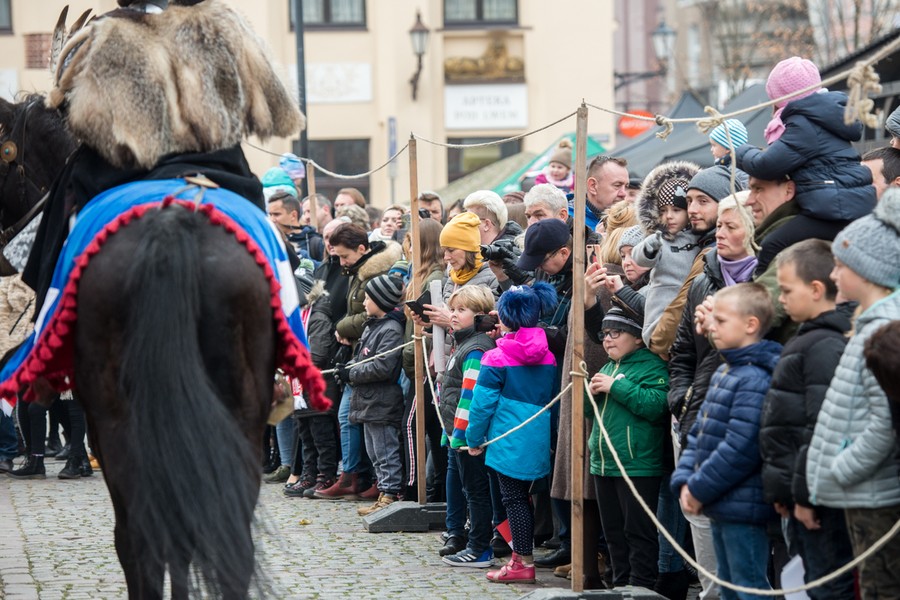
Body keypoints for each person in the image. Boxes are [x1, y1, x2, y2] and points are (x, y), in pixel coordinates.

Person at [806, 189, 900, 598]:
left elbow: (885, 420)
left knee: (882, 588)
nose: (833, 275)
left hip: (874, 493)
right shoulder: (868, 324)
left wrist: (841, 469)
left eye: (840, 265)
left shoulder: (884, 333)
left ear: (867, 271)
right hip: (864, 491)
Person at [666, 191, 757, 600]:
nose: (719, 232)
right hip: (698, 413)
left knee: (743, 542)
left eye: (730, 226)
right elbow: (682, 352)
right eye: (718, 225)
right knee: (699, 520)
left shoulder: (765, 281)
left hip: (745, 414)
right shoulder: (703, 280)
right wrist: (681, 397)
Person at [758, 239, 855, 600]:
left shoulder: (824, 346)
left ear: (816, 289)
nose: (780, 299)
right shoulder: (808, 339)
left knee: (827, 584)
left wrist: (804, 495)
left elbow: (819, 427)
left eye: (786, 290)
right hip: (797, 494)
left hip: (816, 499)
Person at [672, 283, 782, 600]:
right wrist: (684, 479)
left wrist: (698, 487)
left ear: (751, 325)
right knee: (728, 587)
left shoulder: (754, 378)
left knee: (748, 587)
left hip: (744, 506)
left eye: (721, 321)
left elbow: (740, 447)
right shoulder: (725, 371)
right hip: (718, 501)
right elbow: (699, 433)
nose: (711, 328)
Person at [736, 57, 876, 273]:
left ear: (780, 97)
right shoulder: (824, 116)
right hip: (845, 203)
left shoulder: (804, 124)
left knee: (772, 244)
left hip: (835, 210)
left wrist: (738, 149)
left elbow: (766, 165)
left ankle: (757, 293)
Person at [466, 283, 559, 584]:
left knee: (514, 499)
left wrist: (473, 439)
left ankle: (523, 561)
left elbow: (481, 406)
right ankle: (520, 556)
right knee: (523, 498)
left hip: (507, 435)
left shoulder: (495, 357)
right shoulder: (549, 354)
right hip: (538, 435)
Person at [315, 223, 402, 500]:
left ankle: (370, 480)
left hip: (365, 366)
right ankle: (358, 475)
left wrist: (343, 327)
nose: (341, 262)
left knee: (365, 427)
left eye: (344, 256)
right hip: (357, 358)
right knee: (352, 418)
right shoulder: (356, 270)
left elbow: (368, 314)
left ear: (361, 249)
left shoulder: (373, 273)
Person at [585, 306, 669, 590]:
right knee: (613, 536)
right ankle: (618, 586)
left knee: (639, 533)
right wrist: (589, 393)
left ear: (637, 337)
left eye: (616, 333)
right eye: (605, 333)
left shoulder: (653, 366)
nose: (608, 339)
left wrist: (616, 388)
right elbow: (589, 413)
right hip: (604, 464)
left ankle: (641, 589)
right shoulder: (607, 367)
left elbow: (657, 406)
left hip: (637, 465)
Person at [334, 273, 407, 516]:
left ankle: (389, 494)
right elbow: (362, 358)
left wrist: (351, 374)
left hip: (382, 402)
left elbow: (382, 366)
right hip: (367, 402)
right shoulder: (371, 326)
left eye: (368, 298)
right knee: (374, 452)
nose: (364, 303)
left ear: (381, 300)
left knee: (385, 451)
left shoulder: (391, 329)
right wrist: (345, 366)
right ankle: (382, 494)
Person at [440, 286, 498, 568]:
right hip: (456, 434)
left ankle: (479, 547)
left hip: (467, 437)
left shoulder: (475, 348)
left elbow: (470, 397)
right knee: (468, 488)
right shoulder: (462, 343)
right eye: (453, 309)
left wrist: (461, 435)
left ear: (480, 316)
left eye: (461, 310)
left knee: (476, 491)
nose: (453, 314)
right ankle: (469, 539)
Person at [631, 161, 702, 352]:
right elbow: (639, 257)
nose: (668, 216)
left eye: (676, 210)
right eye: (663, 211)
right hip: (661, 314)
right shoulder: (659, 238)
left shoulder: (701, 238)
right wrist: (652, 244)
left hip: (691, 311)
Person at [399, 219, 446, 502]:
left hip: (426, 365)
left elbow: (429, 329)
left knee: (413, 424)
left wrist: (411, 354)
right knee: (432, 429)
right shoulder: (419, 275)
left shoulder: (434, 278)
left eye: (413, 242)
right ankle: (435, 491)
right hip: (414, 360)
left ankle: (415, 490)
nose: (409, 247)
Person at [569, 155, 630, 231]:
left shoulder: (630, 221)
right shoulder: (567, 221)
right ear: (593, 186)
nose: (624, 193)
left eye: (626, 186)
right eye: (617, 185)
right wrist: (597, 239)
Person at [267, 191, 324, 264]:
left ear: (293, 215)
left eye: (276, 214)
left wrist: (307, 262)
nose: (272, 219)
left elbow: (327, 272)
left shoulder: (316, 243)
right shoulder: (272, 241)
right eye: (270, 215)